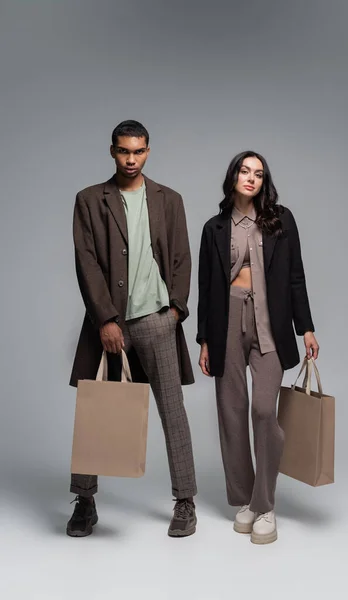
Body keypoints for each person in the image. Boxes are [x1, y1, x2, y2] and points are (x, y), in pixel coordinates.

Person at [67, 120, 197, 538]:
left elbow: (181, 257)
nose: (131, 159)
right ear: (112, 151)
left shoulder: (168, 200)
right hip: (110, 324)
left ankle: (185, 502)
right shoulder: (90, 200)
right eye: (124, 151)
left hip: (158, 319)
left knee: (172, 412)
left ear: (148, 151)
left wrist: (175, 310)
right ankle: (84, 502)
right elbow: (86, 262)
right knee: (95, 411)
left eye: (138, 151)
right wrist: (105, 318)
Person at [197, 151, 319, 544]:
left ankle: (266, 504)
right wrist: (203, 340)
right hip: (226, 322)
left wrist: (307, 329)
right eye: (245, 171)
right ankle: (247, 499)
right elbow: (206, 290)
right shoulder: (213, 228)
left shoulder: (280, 220)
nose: (251, 178)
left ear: (264, 182)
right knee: (231, 412)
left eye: (258, 174)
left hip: (269, 321)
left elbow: (296, 277)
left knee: (264, 410)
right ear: (233, 176)